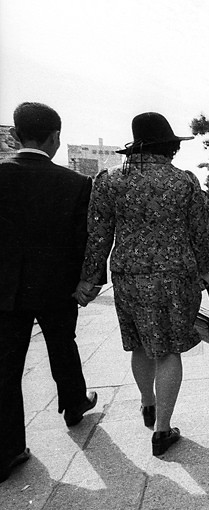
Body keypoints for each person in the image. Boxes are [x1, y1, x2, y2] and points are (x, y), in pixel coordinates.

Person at [77, 112, 209, 457]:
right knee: (168, 350)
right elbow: (199, 234)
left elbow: (98, 237)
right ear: (168, 146)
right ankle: (162, 431)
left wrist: (90, 280)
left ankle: (148, 403)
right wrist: (203, 271)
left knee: (140, 343)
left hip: (129, 276)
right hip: (174, 276)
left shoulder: (108, 181)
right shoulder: (184, 182)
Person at [0, 102, 99, 483]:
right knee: (62, 343)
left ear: (14, 135)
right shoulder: (74, 183)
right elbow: (84, 242)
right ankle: (74, 404)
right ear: (56, 137)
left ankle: (8, 449)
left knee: (6, 367)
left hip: (5, 289)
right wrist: (88, 280)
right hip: (57, 286)